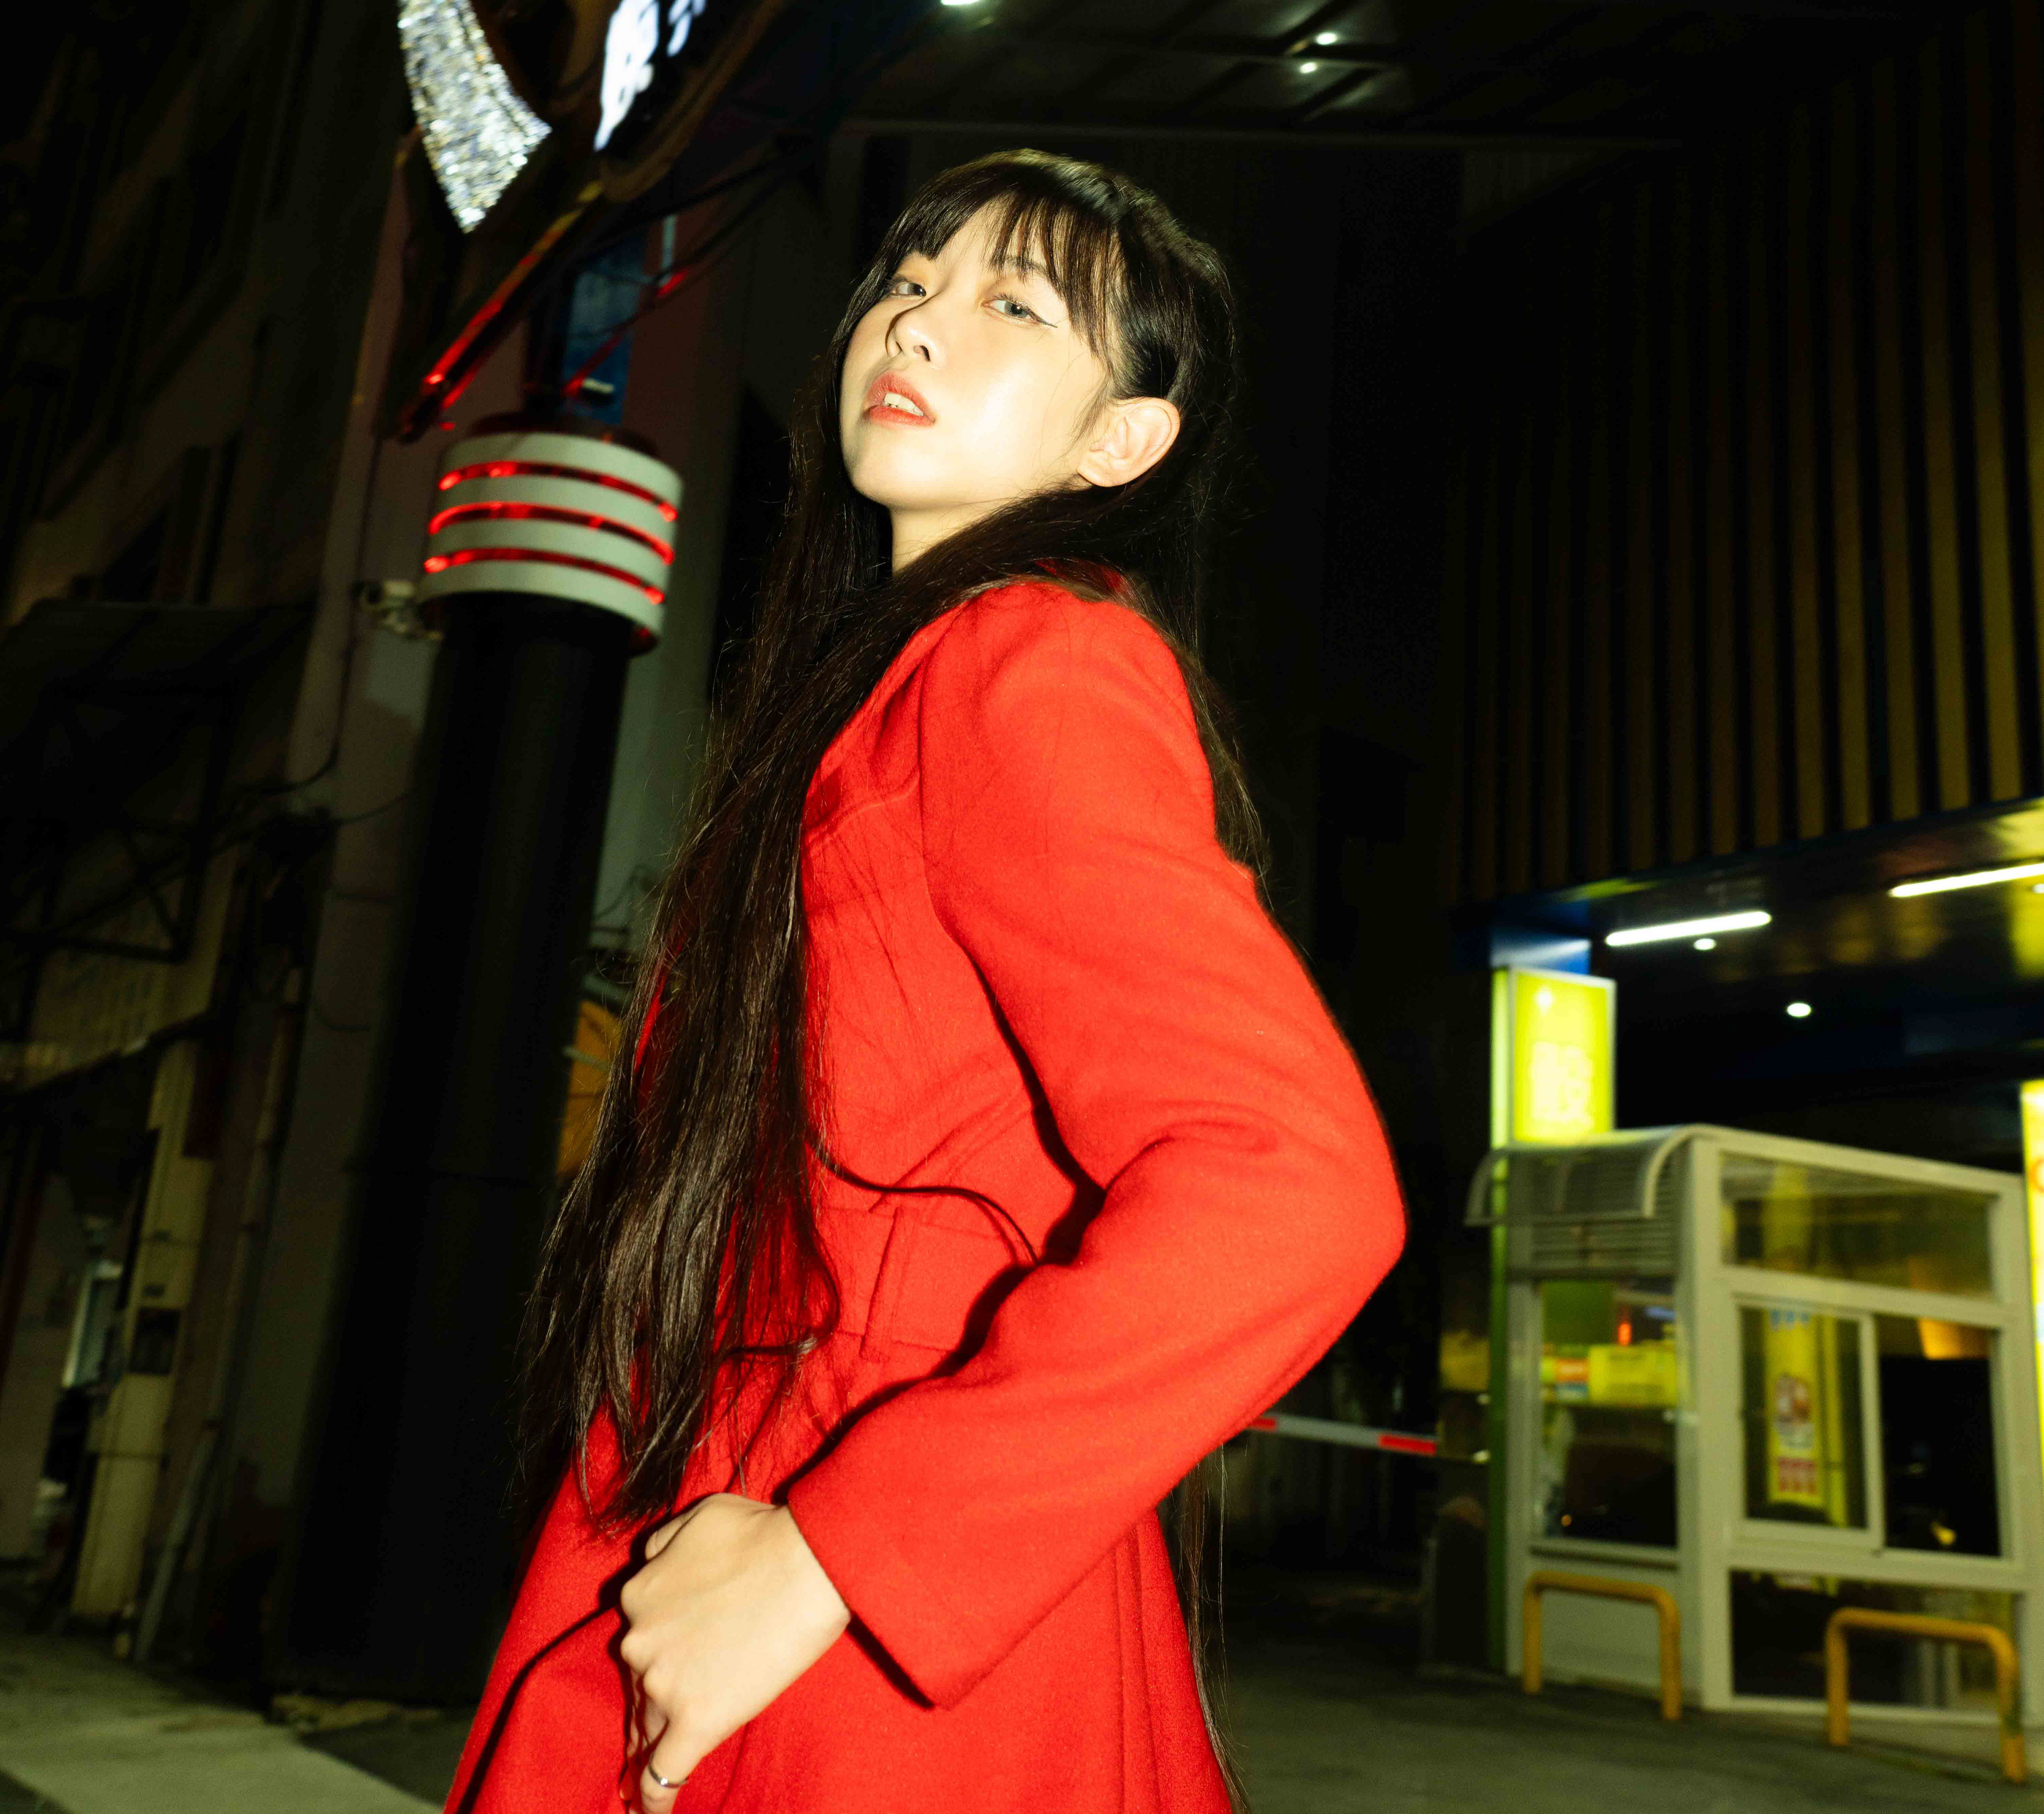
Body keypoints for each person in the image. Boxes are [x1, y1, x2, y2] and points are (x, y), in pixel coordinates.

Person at [449, 150, 1404, 1814]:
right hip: (778, 1545)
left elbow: (1291, 1184)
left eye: (1012, 305)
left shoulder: (1028, 660)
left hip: (855, 1618)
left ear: (1121, 443)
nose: (913, 322)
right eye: (907, 279)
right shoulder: (881, 692)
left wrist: (835, 1553)